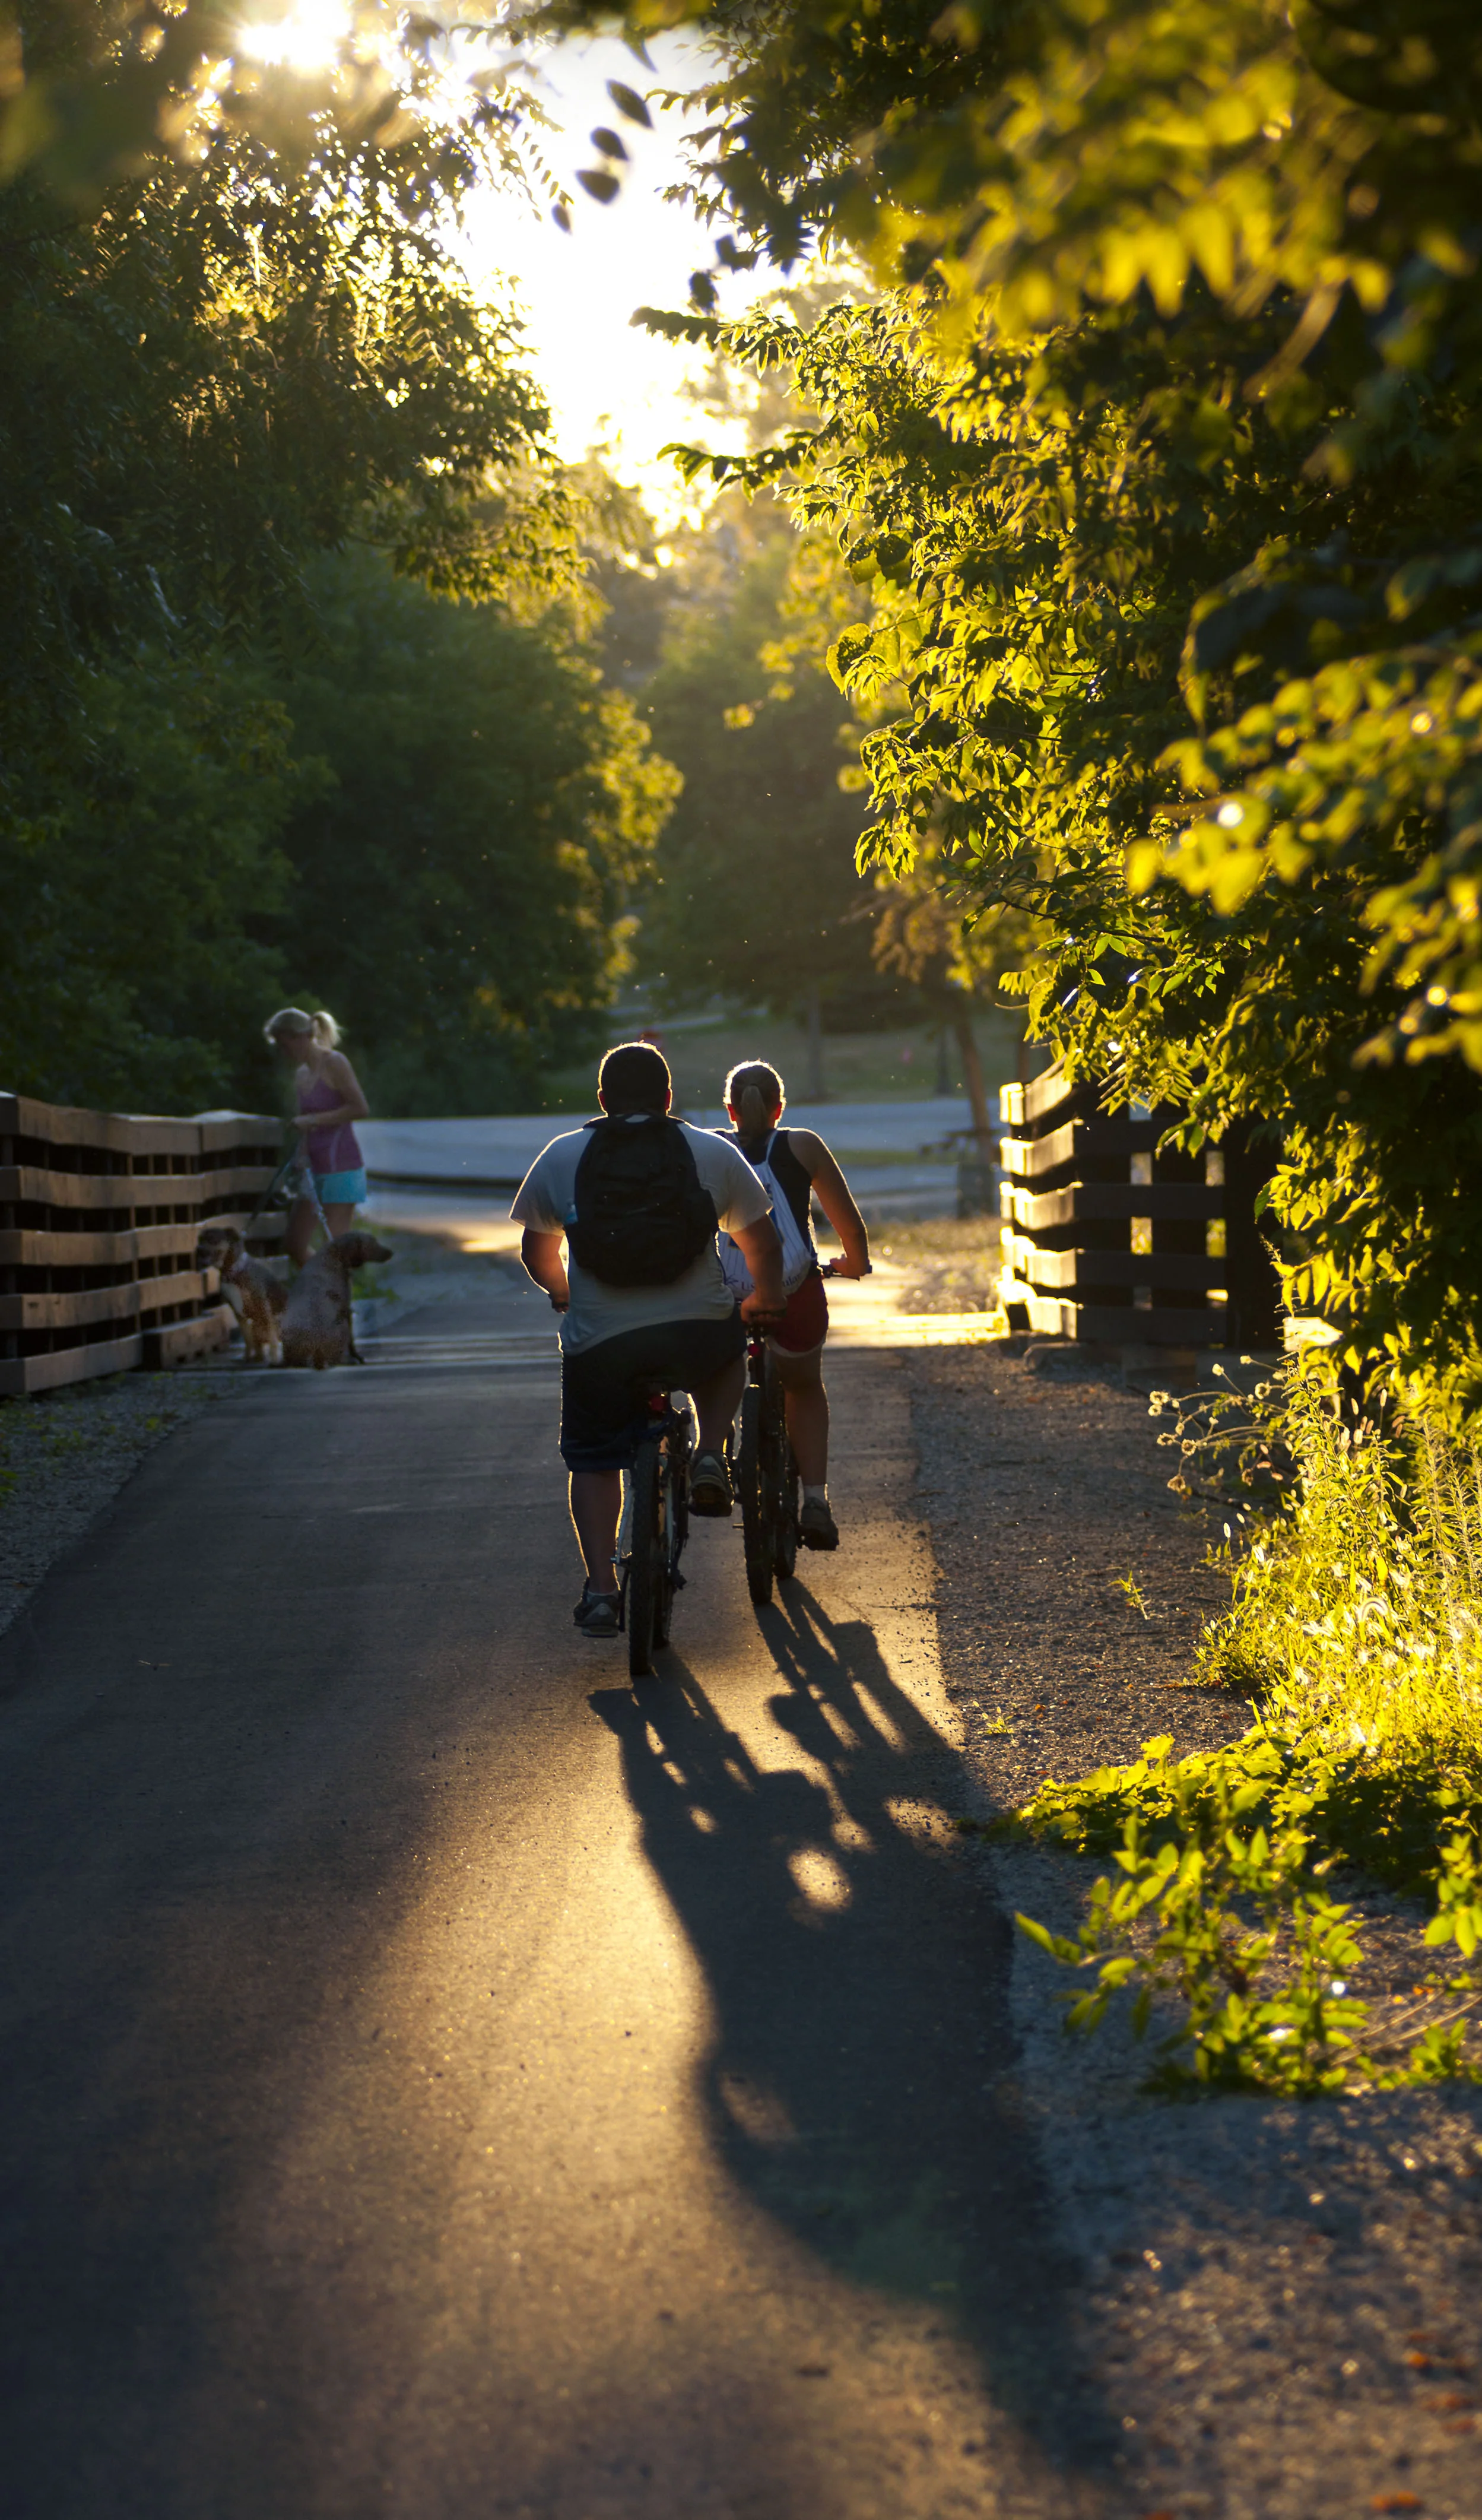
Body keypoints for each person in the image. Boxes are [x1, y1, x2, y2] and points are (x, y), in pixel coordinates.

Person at [512, 1040, 786, 1638]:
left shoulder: (563, 1155)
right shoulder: (708, 1150)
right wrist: (764, 1297)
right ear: (668, 1098)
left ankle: (603, 1591)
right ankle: (712, 1452)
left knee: (592, 1459)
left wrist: (564, 1292)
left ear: (603, 1099)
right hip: (693, 1331)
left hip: (601, 1343)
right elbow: (762, 1245)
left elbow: (537, 1251)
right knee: (724, 1357)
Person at [715, 1059, 872, 1552]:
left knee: (716, 1374)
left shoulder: (711, 1146)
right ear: (779, 1108)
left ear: (731, 1109)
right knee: (804, 1385)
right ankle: (815, 1501)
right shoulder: (802, 1145)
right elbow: (849, 1226)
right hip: (792, 1293)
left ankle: (713, 1460)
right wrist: (853, 1263)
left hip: (728, 1297)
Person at [264, 1007, 370, 1267]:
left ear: (301, 1037)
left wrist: (313, 1120)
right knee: (295, 1244)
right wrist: (301, 1155)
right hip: (313, 1169)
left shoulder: (335, 1062)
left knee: (333, 1249)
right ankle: (326, 1293)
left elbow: (360, 1108)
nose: (283, 1052)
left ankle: (337, 1304)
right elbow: (304, 1123)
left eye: (285, 1044)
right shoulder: (301, 1075)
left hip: (341, 1166)